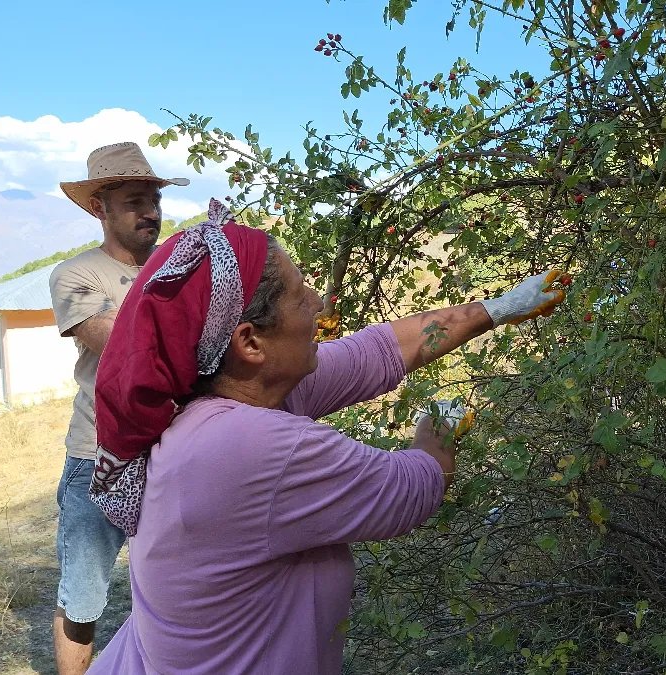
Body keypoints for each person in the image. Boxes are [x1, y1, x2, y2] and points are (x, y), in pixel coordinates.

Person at [83, 199, 566, 673]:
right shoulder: (249, 446)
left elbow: (379, 351)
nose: (318, 302)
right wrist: (436, 429)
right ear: (250, 342)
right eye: (299, 295)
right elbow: (411, 488)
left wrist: (501, 307)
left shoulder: (227, 397)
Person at [48, 142, 189, 675]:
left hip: (175, 450)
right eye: (134, 200)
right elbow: (118, 345)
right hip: (97, 456)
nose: (150, 211)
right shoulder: (76, 275)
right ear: (99, 207)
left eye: (153, 198)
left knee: (176, 587)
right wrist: (188, 317)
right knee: (83, 599)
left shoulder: (181, 267)